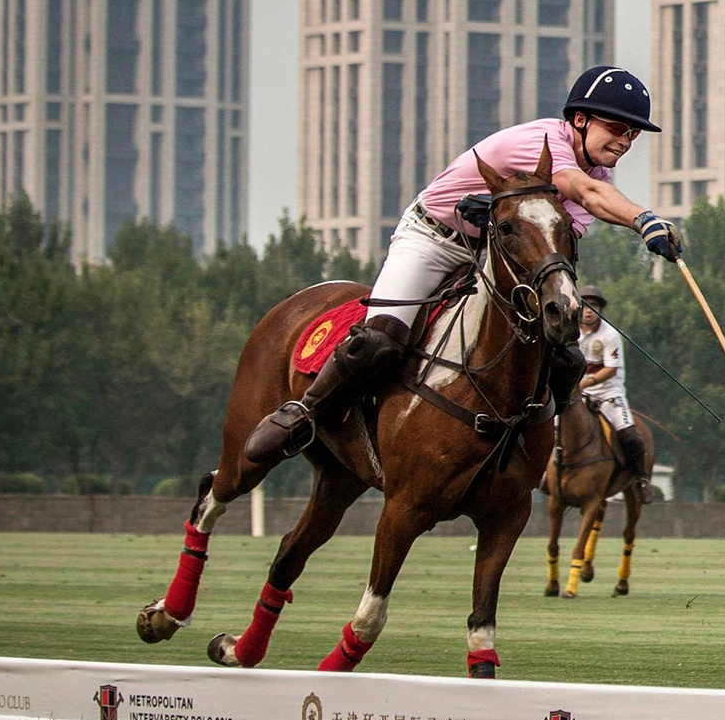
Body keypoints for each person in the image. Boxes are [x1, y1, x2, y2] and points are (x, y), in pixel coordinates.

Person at [241, 66, 685, 475]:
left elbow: (557, 240)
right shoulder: (543, 142)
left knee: (565, 353)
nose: (625, 141)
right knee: (382, 339)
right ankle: (303, 412)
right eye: (617, 128)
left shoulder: (601, 181)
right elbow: (581, 191)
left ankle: (528, 441)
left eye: (632, 134)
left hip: (490, 257)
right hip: (432, 239)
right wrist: (642, 220)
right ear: (581, 119)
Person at [576, 289, 656, 499]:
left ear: (600, 310)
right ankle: (544, 474)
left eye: (595, 307)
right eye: (585, 306)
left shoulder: (609, 335)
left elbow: (610, 369)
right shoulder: (570, 332)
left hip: (608, 394)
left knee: (630, 434)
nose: (589, 312)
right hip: (576, 395)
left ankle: (641, 479)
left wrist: (586, 382)